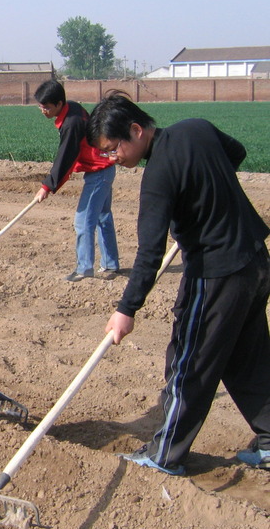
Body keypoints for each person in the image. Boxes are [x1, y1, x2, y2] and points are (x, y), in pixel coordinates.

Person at [87, 91, 270, 474]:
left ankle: (164, 455)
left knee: (189, 362)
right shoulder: (196, 128)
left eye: (113, 148)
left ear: (136, 130)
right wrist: (203, 199)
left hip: (216, 274)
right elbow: (235, 153)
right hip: (255, 259)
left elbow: (150, 254)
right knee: (245, 356)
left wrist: (126, 309)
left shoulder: (157, 176)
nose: (111, 158)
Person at [34, 80, 119, 282]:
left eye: (46, 107)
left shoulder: (71, 123)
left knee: (83, 221)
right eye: (40, 106)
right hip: (104, 168)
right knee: (103, 217)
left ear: (59, 104)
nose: (43, 110)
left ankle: (84, 269)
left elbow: (65, 157)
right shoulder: (72, 107)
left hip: (99, 171)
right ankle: (110, 264)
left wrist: (47, 186)